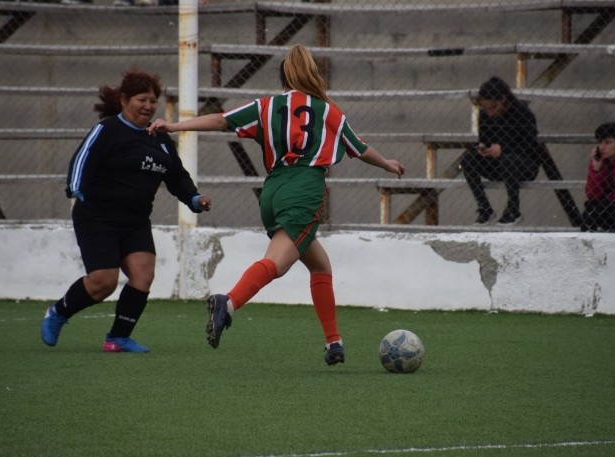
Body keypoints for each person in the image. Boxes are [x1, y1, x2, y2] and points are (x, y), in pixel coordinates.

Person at [147, 44, 405, 366]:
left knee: (320, 265)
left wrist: (174, 126)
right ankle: (227, 303)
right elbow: (360, 148)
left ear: (282, 78)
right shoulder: (329, 112)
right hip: (304, 189)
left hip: (272, 190)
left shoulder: (266, 107)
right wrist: (387, 164)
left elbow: (219, 120)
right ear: (314, 74)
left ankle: (334, 343)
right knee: (277, 263)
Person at [40, 68, 211, 352]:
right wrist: (75, 187)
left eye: (152, 101)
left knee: (143, 276)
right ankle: (58, 313)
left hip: (135, 220)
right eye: (141, 99)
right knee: (103, 283)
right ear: (124, 100)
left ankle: (117, 337)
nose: (148, 106)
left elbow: (176, 176)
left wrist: (194, 198)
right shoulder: (108, 130)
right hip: (97, 217)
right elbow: (81, 159)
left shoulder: (160, 139)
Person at [461, 76, 541, 225]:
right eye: (486, 108)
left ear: (503, 99)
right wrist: (483, 149)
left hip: (525, 165)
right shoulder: (485, 115)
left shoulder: (523, 113)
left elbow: (530, 147)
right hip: (498, 164)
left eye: (493, 107)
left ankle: (513, 210)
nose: (489, 113)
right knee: (467, 159)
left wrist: (503, 150)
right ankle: (485, 208)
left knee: (508, 160)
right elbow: (484, 139)